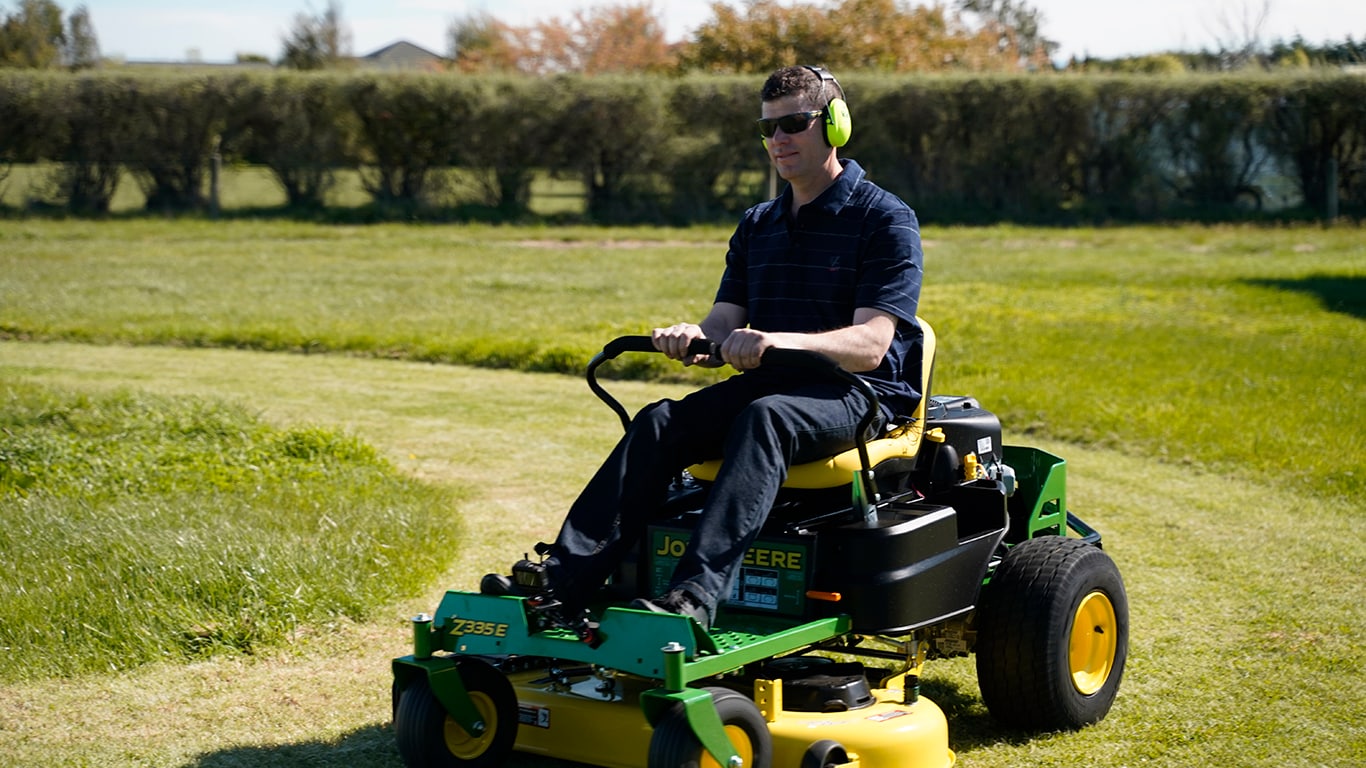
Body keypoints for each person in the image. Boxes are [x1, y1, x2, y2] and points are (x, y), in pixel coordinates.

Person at [503, 65, 924, 633]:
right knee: (657, 422)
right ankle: (558, 585)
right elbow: (724, 322)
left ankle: (693, 600)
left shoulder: (884, 218)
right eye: (768, 128)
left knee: (763, 417)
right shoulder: (759, 223)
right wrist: (693, 339)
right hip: (772, 387)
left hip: (855, 395)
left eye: (794, 123)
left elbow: (871, 346)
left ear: (835, 125)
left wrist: (775, 340)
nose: (778, 140)